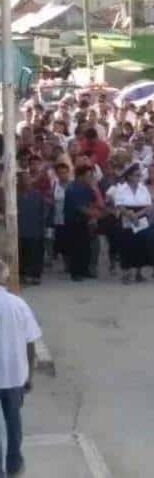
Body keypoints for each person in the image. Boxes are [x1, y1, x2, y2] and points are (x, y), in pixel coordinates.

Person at [0, 259, 42, 477]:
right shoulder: (18, 304)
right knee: (13, 422)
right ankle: (14, 465)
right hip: (14, 376)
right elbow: (31, 342)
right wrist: (29, 376)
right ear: (5, 277)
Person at [113, 163, 153, 284]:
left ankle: (138, 273)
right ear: (129, 176)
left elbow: (148, 205)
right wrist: (130, 214)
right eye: (136, 175)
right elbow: (119, 205)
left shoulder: (143, 188)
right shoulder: (121, 188)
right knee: (126, 246)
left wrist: (137, 215)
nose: (138, 177)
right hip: (126, 217)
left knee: (141, 245)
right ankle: (126, 273)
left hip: (141, 217)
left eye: (139, 175)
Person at [63, 165, 97, 281]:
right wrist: (96, 215)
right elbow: (80, 207)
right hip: (73, 221)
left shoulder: (87, 187)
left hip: (84, 221)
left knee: (86, 247)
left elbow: (92, 202)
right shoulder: (72, 188)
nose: (91, 178)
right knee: (76, 247)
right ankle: (75, 272)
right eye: (89, 176)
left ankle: (84, 270)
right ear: (81, 176)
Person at [17, 172, 47, 286]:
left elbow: (43, 212)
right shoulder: (15, 196)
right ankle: (24, 274)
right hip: (21, 230)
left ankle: (35, 275)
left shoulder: (37, 195)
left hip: (35, 229)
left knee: (35, 253)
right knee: (23, 253)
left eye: (27, 179)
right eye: (22, 179)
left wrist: (43, 226)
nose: (25, 181)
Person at [51, 162, 72, 272]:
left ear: (68, 173)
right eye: (60, 173)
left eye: (64, 173)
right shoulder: (54, 184)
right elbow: (51, 198)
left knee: (71, 242)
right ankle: (66, 265)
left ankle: (72, 263)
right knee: (62, 243)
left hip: (70, 218)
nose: (62, 175)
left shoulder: (73, 185)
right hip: (58, 218)